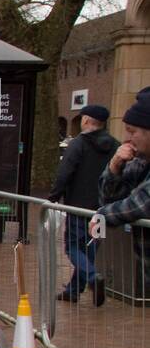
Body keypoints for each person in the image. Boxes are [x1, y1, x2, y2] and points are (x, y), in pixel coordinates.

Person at [50, 104, 118, 303]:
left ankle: (91, 276)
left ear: (86, 120)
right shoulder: (115, 146)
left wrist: (53, 197)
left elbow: (64, 173)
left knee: (72, 247)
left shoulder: (78, 144)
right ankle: (74, 290)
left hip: (77, 207)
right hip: (102, 210)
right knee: (89, 249)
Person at [92, 88, 150, 246]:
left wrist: (101, 216)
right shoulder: (140, 162)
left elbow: (141, 205)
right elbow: (108, 199)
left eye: (132, 132)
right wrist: (114, 167)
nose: (126, 139)